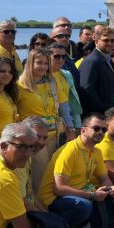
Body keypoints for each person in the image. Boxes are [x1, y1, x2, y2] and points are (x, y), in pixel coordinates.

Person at [37, 113, 114, 228]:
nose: (100, 132)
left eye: (104, 129)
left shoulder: (96, 151)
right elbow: (59, 189)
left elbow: (104, 178)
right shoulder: (69, 151)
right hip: (53, 199)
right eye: (96, 128)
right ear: (83, 130)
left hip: (79, 193)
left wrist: (110, 188)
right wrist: (92, 195)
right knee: (84, 206)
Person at [17, 48, 71, 190]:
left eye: (46, 63)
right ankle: (40, 207)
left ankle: (49, 202)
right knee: (39, 174)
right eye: (39, 62)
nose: (43, 66)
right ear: (30, 63)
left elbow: (64, 107)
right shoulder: (19, 86)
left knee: (53, 173)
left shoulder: (53, 83)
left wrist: (71, 128)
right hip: (33, 137)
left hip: (54, 135)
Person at [78, 27, 114, 115]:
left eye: (112, 40)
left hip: (110, 112)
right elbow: (86, 89)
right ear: (96, 41)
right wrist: (103, 109)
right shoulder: (91, 61)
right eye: (106, 40)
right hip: (99, 116)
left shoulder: (108, 60)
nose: (110, 43)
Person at [46, 41, 77, 141]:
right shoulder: (43, 77)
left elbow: (70, 102)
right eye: (57, 56)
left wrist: (74, 126)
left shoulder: (65, 74)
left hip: (62, 126)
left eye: (64, 57)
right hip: (47, 128)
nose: (61, 60)